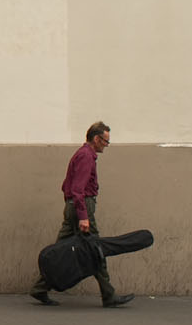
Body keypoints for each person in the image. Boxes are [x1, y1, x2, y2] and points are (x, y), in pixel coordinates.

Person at [28, 121, 134, 308]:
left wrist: (72, 208)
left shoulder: (82, 154)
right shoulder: (86, 157)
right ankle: (108, 295)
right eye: (105, 141)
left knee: (60, 251)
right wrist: (83, 216)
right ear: (96, 138)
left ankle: (40, 288)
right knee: (96, 250)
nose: (106, 145)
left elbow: (66, 186)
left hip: (74, 207)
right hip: (82, 207)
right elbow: (78, 189)